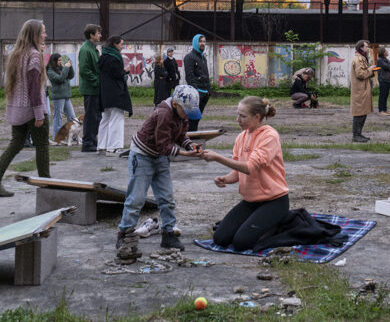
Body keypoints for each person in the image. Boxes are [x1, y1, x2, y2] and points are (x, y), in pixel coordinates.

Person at [116, 85, 203, 260]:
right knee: (136, 198)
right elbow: (162, 145)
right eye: (186, 112)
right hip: (142, 156)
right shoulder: (163, 113)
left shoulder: (182, 115)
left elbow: (181, 135)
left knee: (167, 197)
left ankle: (168, 233)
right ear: (176, 104)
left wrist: (190, 145)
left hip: (160, 157)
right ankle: (124, 233)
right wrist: (185, 154)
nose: (187, 116)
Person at [201, 96, 289, 251]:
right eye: (238, 115)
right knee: (220, 238)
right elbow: (238, 172)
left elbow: (249, 168)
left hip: (274, 201)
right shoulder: (241, 137)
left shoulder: (269, 136)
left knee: (242, 243)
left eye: (243, 116)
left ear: (257, 117)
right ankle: (257, 224)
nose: (238, 120)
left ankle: (279, 225)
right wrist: (225, 179)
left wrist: (217, 157)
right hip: (250, 201)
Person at [0, 20, 50, 197]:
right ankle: (47, 186)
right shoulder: (34, 55)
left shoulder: (16, 54)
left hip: (18, 109)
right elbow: (34, 88)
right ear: (34, 34)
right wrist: (39, 114)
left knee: (15, 144)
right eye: (43, 32)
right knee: (42, 146)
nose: (45, 35)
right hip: (33, 110)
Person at [98, 35, 133, 154]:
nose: (122, 46)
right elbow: (117, 74)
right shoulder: (114, 57)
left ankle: (102, 146)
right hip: (116, 92)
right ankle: (114, 147)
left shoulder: (103, 56)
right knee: (116, 119)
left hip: (105, 92)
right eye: (121, 44)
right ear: (115, 44)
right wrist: (125, 70)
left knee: (105, 118)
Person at [79, 24, 102, 152]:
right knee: (90, 116)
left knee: (95, 116)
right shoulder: (85, 49)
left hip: (94, 88)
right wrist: (97, 81)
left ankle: (92, 140)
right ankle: (87, 142)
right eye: (98, 33)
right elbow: (84, 70)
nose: (100, 35)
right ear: (91, 35)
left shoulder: (93, 48)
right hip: (90, 88)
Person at [46, 53, 78, 140]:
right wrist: (66, 68)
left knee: (72, 116)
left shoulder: (62, 68)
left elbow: (71, 76)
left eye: (61, 60)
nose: (60, 62)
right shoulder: (50, 71)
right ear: (54, 61)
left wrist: (70, 66)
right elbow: (60, 79)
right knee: (58, 117)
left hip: (66, 95)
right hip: (58, 97)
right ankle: (57, 137)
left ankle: (73, 136)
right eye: (59, 60)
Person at [350, 39, 377, 143]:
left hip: (363, 90)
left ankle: (359, 134)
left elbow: (364, 73)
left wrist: (372, 70)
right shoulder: (358, 59)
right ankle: (356, 135)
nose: (368, 48)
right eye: (366, 46)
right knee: (359, 113)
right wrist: (371, 69)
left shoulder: (362, 58)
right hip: (359, 90)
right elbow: (360, 74)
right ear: (361, 47)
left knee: (363, 112)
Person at [183, 34, 210, 131]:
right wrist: (196, 91)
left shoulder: (203, 58)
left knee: (197, 119)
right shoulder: (189, 57)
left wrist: (208, 91)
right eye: (200, 41)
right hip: (196, 94)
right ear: (195, 42)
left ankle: (194, 137)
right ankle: (189, 138)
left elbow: (206, 74)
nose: (202, 43)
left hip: (205, 93)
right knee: (191, 120)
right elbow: (189, 77)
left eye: (204, 41)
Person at [376, 46, 390, 116]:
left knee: (386, 95)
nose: (387, 52)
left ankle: (385, 110)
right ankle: (381, 110)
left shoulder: (385, 59)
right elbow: (388, 67)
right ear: (383, 52)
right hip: (383, 79)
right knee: (382, 96)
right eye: (386, 51)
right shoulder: (380, 60)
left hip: (387, 80)